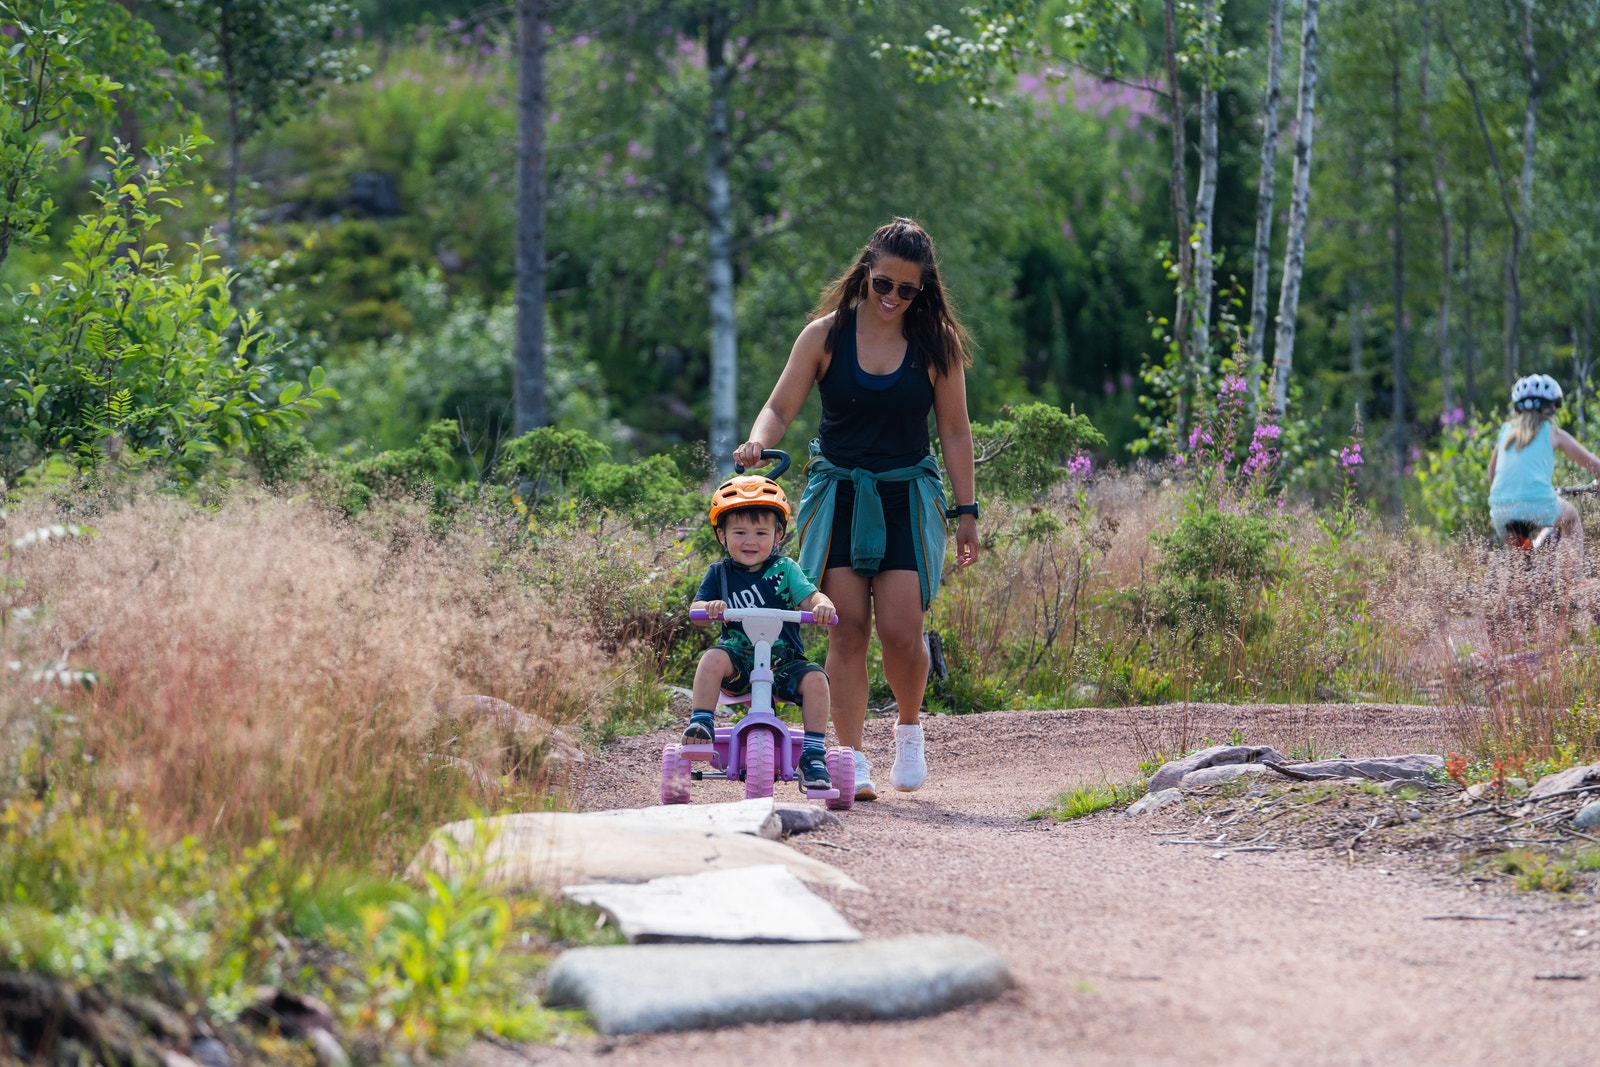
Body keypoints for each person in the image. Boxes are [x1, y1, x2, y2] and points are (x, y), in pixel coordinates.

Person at [733, 217, 979, 801]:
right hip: (839, 494)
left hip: (906, 495)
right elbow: (779, 407)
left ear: (924, 291)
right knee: (845, 629)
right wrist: (755, 444)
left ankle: (909, 729)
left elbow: (956, 431)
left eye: (908, 290)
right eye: (883, 284)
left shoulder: (936, 344)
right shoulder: (823, 336)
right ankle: (850, 757)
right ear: (865, 273)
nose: (893, 298)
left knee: (901, 630)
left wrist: (966, 511)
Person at [685, 473, 838, 791]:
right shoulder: (720, 573)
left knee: (817, 680)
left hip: (784, 663)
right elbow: (696, 613)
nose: (750, 541)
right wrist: (709, 607)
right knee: (712, 658)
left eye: (760, 532)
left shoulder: (786, 570)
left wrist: (822, 605)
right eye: (739, 532)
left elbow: (811, 597)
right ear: (721, 535)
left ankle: (813, 754)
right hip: (738, 660)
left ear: (778, 534)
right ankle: (701, 723)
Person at [1487, 374, 1600, 565]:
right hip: (1539, 503)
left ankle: (1519, 588)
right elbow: (1594, 465)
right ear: (1548, 409)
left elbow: (1492, 472)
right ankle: (1570, 585)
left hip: (1501, 509)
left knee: (1521, 567)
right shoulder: (1552, 432)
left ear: (1518, 410)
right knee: (1571, 518)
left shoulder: (1505, 432)